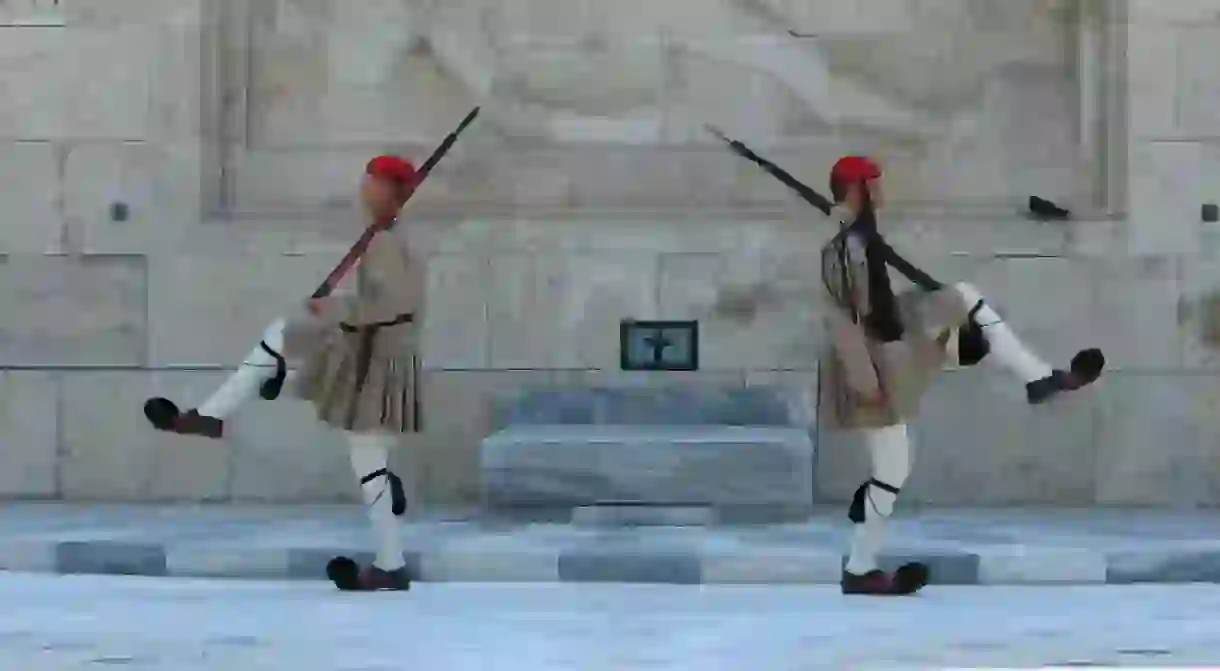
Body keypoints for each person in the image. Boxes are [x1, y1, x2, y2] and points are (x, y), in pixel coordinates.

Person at [820, 155, 1104, 596]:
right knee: (892, 471)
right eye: (873, 183)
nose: (881, 189)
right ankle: (859, 569)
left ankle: (1039, 377)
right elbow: (841, 320)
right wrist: (866, 382)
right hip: (869, 366)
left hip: (893, 344)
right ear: (858, 189)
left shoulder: (862, 238)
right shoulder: (845, 248)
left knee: (963, 303)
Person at [143, 155, 426, 591]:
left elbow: (396, 307)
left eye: (373, 184)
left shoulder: (392, 242)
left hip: (379, 357)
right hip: (364, 347)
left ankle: (391, 561)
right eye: (365, 182)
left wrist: (334, 307)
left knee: (367, 460)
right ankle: (215, 413)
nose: (363, 191)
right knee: (282, 337)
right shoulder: (382, 236)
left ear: (392, 192)